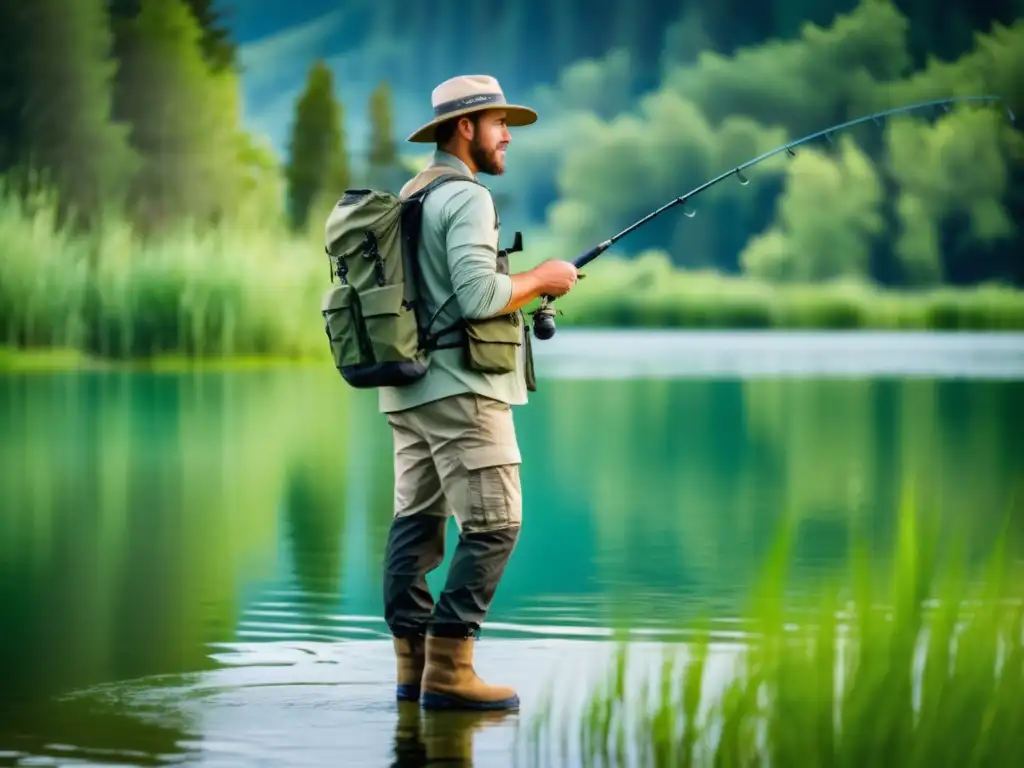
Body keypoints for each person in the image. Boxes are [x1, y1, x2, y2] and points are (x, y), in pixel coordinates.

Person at [380, 74, 578, 711]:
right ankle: (451, 667)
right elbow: (477, 297)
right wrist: (545, 276)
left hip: (408, 392)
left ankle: (412, 670)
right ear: (465, 128)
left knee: (417, 524)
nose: (508, 138)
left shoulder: (412, 193)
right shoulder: (465, 197)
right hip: (463, 390)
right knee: (496, 523)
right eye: (499, 124)